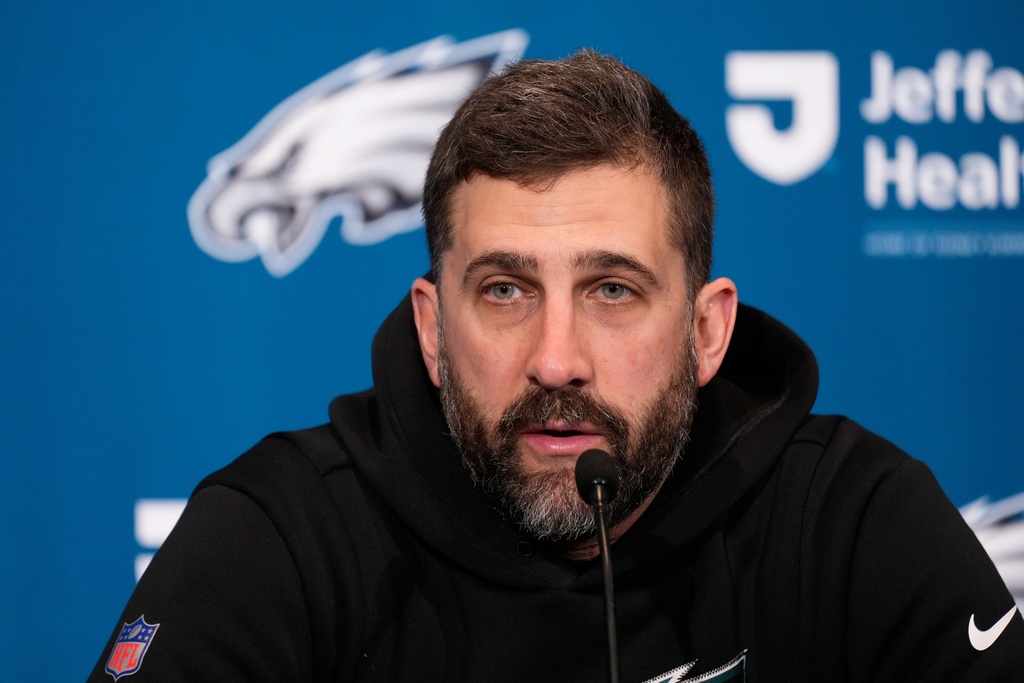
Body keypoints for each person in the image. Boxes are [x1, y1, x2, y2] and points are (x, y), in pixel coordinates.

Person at [89, 50, 1022, 682]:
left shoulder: (854, 525)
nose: (556, 360)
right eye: (504, 290)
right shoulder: (280, 537)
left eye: (613, 289)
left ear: (707, 331)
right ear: (431, 329)